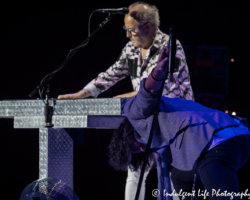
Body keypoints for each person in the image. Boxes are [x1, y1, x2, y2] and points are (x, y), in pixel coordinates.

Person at [58, 2, 194, 199]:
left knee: (171, 178)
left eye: (131, 30)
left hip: (174, 119)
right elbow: (112, 73)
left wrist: (127, 95)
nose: (127, 35)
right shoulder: (131, 48)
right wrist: (83, 93)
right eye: (126, 30)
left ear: (147, 27)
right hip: (144, 118)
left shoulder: (170, 46)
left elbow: (166, 89)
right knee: (135, 171)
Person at [108, 46, 250, 200]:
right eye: (138, 153)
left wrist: (157, 71)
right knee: (180, 177)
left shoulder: (135, 113)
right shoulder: (161, 142)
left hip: (217, 143)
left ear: (125, 137)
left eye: (134, 147)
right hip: (234, 139)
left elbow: (148, 91)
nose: (141, 149)